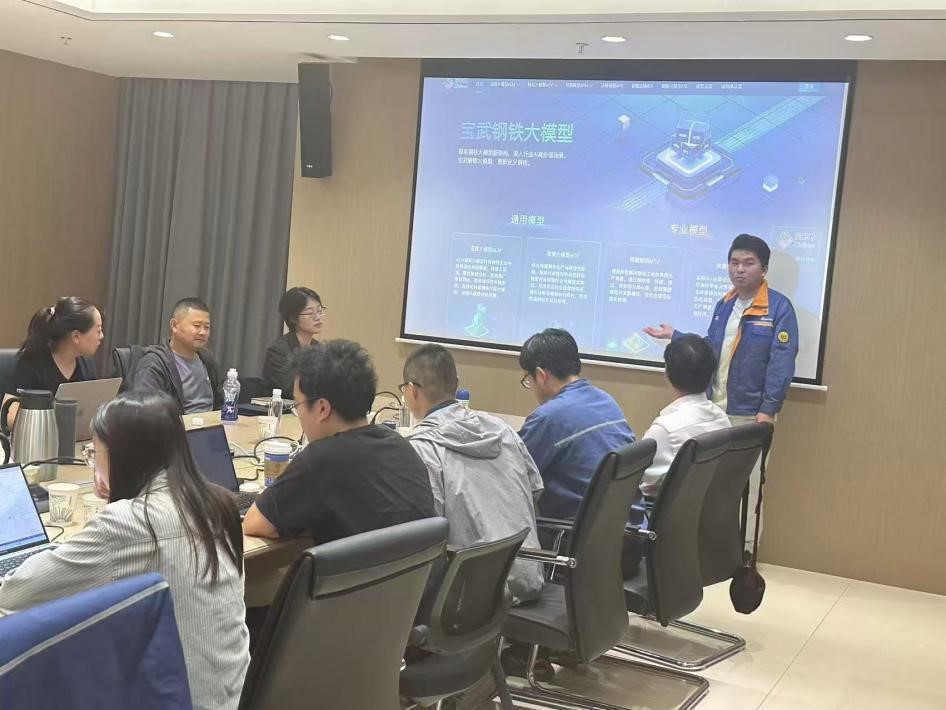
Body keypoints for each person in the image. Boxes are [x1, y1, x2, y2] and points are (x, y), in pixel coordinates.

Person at [0, 391, 249, 710]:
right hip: (233, 695)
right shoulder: (216, 504)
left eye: (95, 453)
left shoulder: (129, 522)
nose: (92, 462)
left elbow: (14, 595)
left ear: (124, 456)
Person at [644, 234, 799, 551]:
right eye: (734, 262)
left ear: (764, 269)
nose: (739, 269)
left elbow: (781, 365)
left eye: (748, 263)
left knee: (748, 485)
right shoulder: (725, 304)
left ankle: (744, 550)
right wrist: (676, 336)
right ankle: (710, 548)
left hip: (751, 414)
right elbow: (711, 348)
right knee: (712, 483)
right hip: (716, 409)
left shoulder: (779, 308)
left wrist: (767, 411)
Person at [242, 339, 435, 543]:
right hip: (412, 564)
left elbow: (255, 523)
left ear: (322, 408)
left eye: (298, 405)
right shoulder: (400, 445)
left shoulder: (320, 459)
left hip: (360, 564)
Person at [402, 344, 544, 604]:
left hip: (470, 597)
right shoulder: (502, 429)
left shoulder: (422, 449)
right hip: (527, 574)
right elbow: (535, 490)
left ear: (411, 391)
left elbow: (426, 533)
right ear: (456, 384)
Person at [517, 328, 636, 522]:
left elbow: (512, 474)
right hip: (623, 525)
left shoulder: (548, 417)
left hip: (573, 531)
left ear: (541, 375)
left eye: (528, 380)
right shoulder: (606, 400)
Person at [640, 334, 731, 498]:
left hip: (660, 510)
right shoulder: (722, 419)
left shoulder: (665, 429)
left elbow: (636, 476)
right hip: (702, 509)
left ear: (667, 374)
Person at [2, 296, 103, 428]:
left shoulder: (87, 364)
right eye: (98, 330)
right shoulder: (31, 362)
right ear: (76, 336)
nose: (101, 336)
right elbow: (9, 416)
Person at [131, 297, 222, 414]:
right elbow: (145, 412)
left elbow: (220, 404)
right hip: (176, 425)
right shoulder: (155, 363)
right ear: (174, 325)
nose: (203, 332)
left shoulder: (207, 360)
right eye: (197, 325)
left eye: (207, 327)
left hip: (211, 423)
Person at [261, 287, 326, 395]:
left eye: (319, 311)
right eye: (310, 312)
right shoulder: (278, 351)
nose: (318, 317)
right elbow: (291, 388)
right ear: (293, 318)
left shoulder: (321, 349)